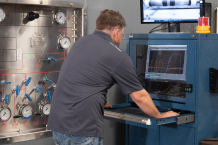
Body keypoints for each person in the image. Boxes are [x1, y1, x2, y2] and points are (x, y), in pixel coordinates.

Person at [47, 9, 179, 145]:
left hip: (59, 125)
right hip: (82, 128)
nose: (122, 37)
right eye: (123, 33)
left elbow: (85, 79)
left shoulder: (81, 42)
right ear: (116, 32)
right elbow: (139, 96)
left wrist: (102, 102)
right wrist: (159, 115)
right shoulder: (116, 55)